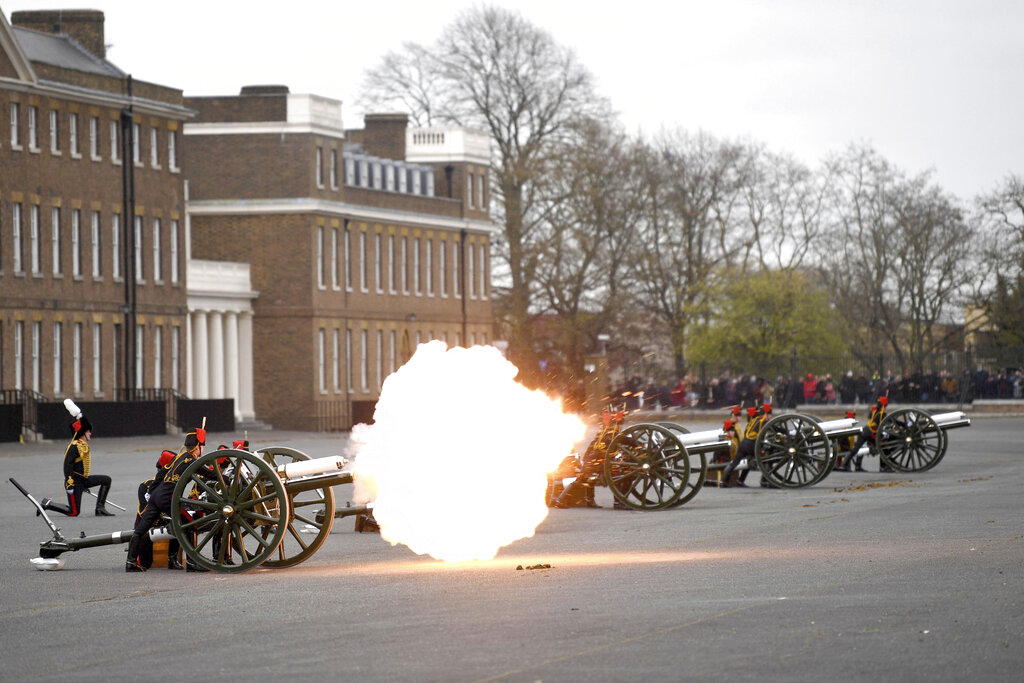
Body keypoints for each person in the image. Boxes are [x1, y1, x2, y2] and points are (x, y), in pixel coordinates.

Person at [125, 426, 212, 572]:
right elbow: (208, 474)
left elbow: (161, 474)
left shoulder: (179, 457)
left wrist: (152, 492)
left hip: (157, 496)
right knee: (190, 525)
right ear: (198, 446)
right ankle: (192, 563)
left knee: (140, 530)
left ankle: (130, 562)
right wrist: (226, 479)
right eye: (202, 446)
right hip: (168, 498)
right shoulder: (191, 460)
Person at [39, 401, 115, 517]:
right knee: (73, 512)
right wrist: (70, 484)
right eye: (88, 431)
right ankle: (48, 504)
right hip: (74, 482)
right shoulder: (73, 447)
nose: (90, 434)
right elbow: (67, 466)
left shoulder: (82, 445)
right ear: (83, 433)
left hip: (83, 480)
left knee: (106, 480)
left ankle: (100, 508)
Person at [134, 450, 183, 570]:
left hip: (165, 520)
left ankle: (172, 558)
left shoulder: (172, 487)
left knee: (178, 522)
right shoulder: (145, 486)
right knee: (146, 563)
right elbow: (143, 511)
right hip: (149, 522)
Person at [721, 404, 769, 488]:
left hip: (743, 444)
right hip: (751, 444)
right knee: (766, 459)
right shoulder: (762, 421)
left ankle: (724, 482)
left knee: (734, 463)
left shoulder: (751, 422)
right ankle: (764, 481)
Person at [842, 396, 889, 472]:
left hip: (865, 430)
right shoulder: (882, 414)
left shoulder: (874, 411)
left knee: (856, 449)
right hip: (870, 433)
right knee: (883, 447)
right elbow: (888, 421)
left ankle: (845, 464)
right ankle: (883, 467)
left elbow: (870, 417)